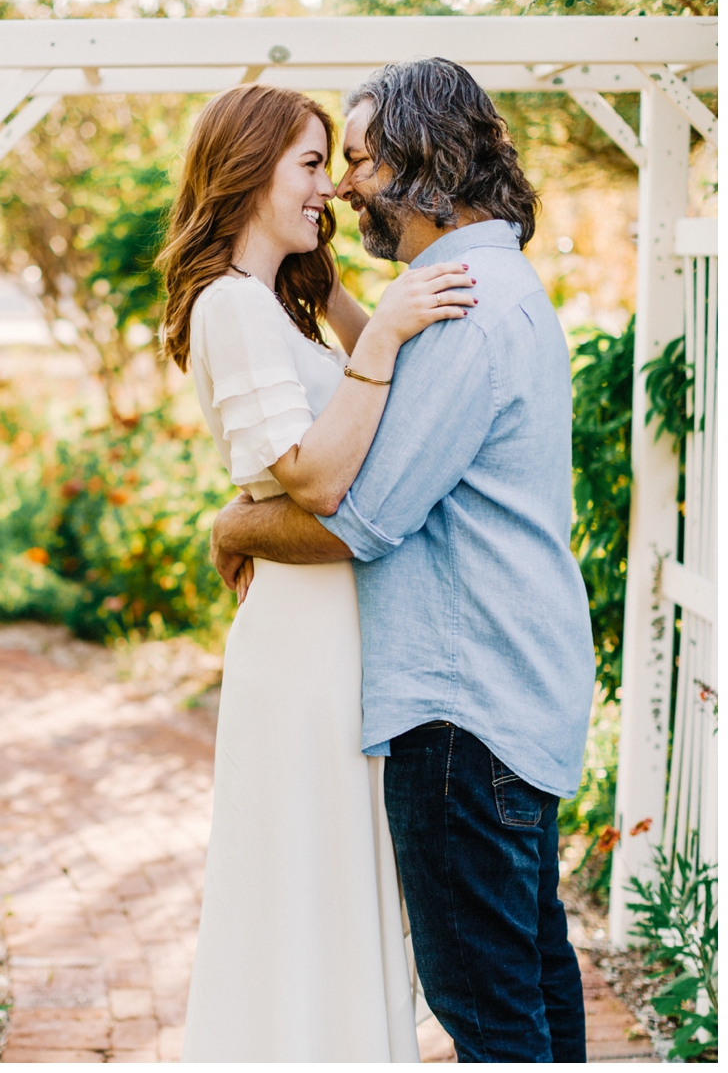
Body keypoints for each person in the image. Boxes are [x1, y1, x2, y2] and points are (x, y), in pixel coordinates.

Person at [209, 58, 597, 1064]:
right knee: (531, 978)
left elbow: (360, 516)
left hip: (462, 707)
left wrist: (238, 528)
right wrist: (343, 300)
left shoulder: (461, 305)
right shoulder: (477, 285)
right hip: (508, 690)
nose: (344, 182)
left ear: (429, 161)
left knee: (487, 1007)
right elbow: (380, 390)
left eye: (362, 156)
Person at [157, 82, 477, 1062]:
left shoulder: (274, 306)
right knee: (307, 873)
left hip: (335, 634)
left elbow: (330, 398)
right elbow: (323, 479)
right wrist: (382, 330)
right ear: (247, 171)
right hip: (303, 648)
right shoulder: (228, 306)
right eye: (309, 163)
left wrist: (349, 298)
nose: (331, 188)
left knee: (336, 874)